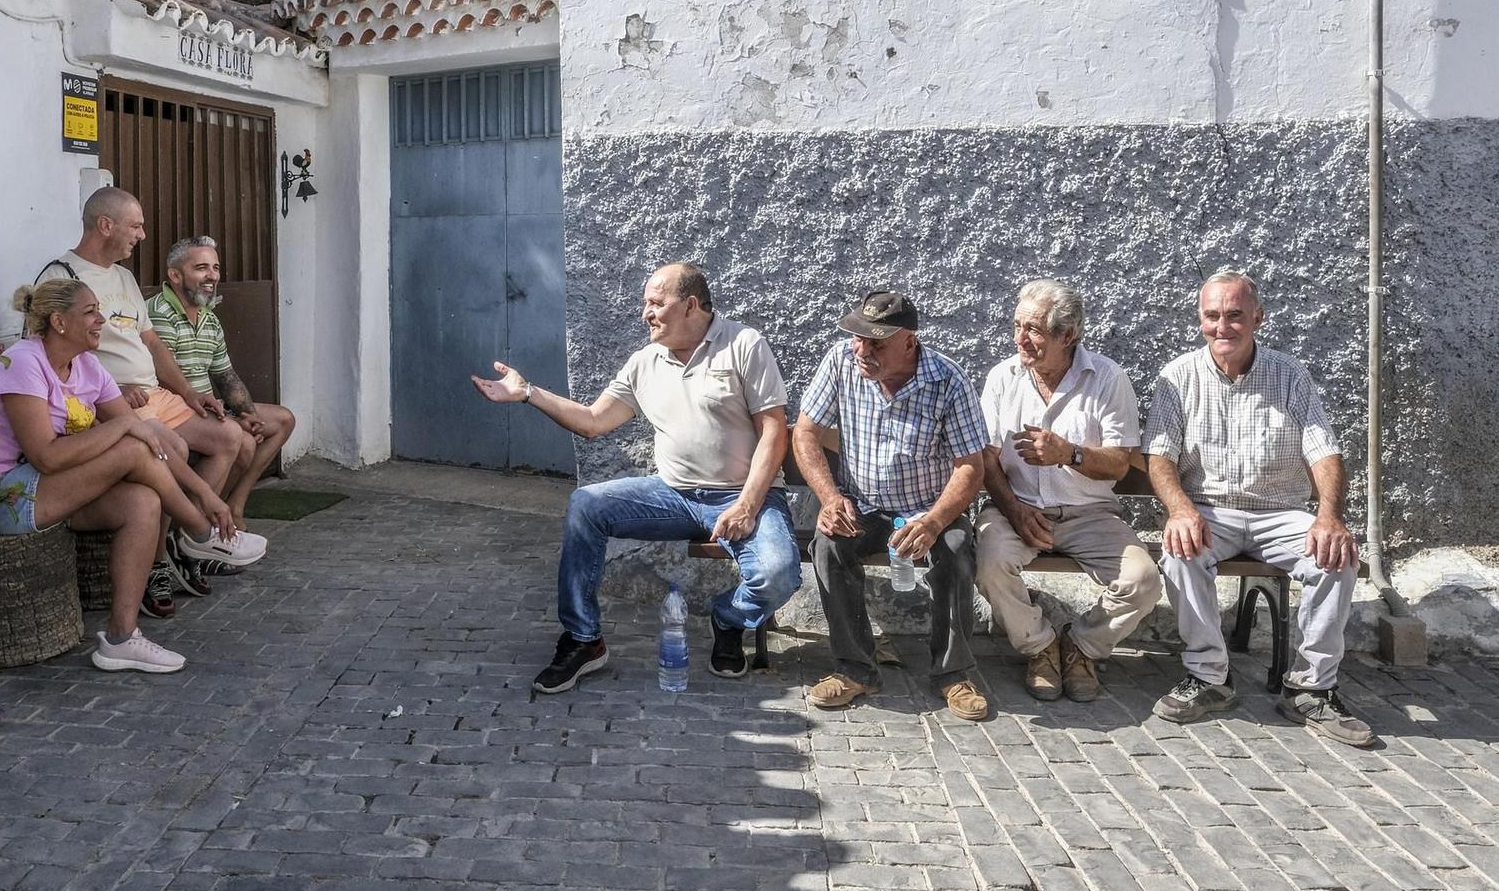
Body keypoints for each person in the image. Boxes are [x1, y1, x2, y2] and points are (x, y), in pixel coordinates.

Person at [471, 262, 800, 694]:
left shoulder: (743, 344)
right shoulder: (646, 361)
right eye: (645, 303)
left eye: (656, 303)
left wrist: (746, 504)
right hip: (674, 496)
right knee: (587, 505)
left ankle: (728, 619)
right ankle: (584, 641)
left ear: (691, 305)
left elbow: (774, 430)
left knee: (778, 574)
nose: (645, 312)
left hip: (745, 496)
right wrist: (528, 392)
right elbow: (593, 421)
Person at [0, 280, 267, 673]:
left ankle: (122, 638)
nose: (100, 319)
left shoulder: (88, 366)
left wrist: (207, 495)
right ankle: (200, 534)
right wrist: (124, 429)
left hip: (51, 487)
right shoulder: (24, 363)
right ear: (58, 321)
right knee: (132, 442)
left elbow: (150, 440)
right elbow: (46, 456)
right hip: (1, 496)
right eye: (89, 311)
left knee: (143, 500)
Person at [1145, 269, 1372, 746]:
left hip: (1280, 513)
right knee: (1180, 550)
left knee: (1336, 556)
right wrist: (1180, 510)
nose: (1222, 326)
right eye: (1212, 316)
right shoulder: (1178, 376)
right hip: (1209, 510)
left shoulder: (1289, 374)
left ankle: (1310, 688)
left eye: (1234, 315)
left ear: (1257, 318)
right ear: (1200, 319)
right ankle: (1210, 676)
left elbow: (1324, 452)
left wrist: (1330, 517)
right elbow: (1160, 457)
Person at [39, 187, 251, 615]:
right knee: (170, 448)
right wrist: (112, 393)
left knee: (228, 435)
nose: (142, 234)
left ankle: (186, 541)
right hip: (113, 399)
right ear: (106, 225)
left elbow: (151, 342)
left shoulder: (124, 277)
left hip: (154, 392)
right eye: (135, 225)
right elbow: (52, 353)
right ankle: (158, 560)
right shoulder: (62, 276)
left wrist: (189, 394)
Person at [793, 291, 992, 720]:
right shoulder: (840, 362)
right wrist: (830, 499)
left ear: (909, 341)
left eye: (876, 342)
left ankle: (953, 673)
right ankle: (854, 669)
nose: (862, 351)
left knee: (956, 551)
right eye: (857, 339)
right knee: (828, 546)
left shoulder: (947, 380)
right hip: (861, 502)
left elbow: (970, 468)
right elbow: (805, 433)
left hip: (928, 506)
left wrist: (936, 521)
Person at [976, 280, 1159, 702]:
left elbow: (1119, 461)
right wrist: (1015, 511)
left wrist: (1068, 453)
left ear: (1068, 335)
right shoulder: (1003, 377)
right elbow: (986, 458)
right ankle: (1040, 648)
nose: (1020, 339)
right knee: (989, 561)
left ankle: (1080, 647)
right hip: (1015, 509)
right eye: (1018, 326)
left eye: (1034, 330)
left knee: (1144, 579)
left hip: (1090, 514)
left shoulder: (1107, 378)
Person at [148, 236, 296, 525]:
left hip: (209, 409)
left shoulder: (209, 318)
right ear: (175, 275)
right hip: (175, 412)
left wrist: (247, 414)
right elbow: (163, 382)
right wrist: (227, 420)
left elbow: (225, 376)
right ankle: (192, 523)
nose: (212, 276)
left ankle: (235, 504)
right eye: (201, 267)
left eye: (215, 268)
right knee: (242, 441)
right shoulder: (159, 314)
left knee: (281, 421)